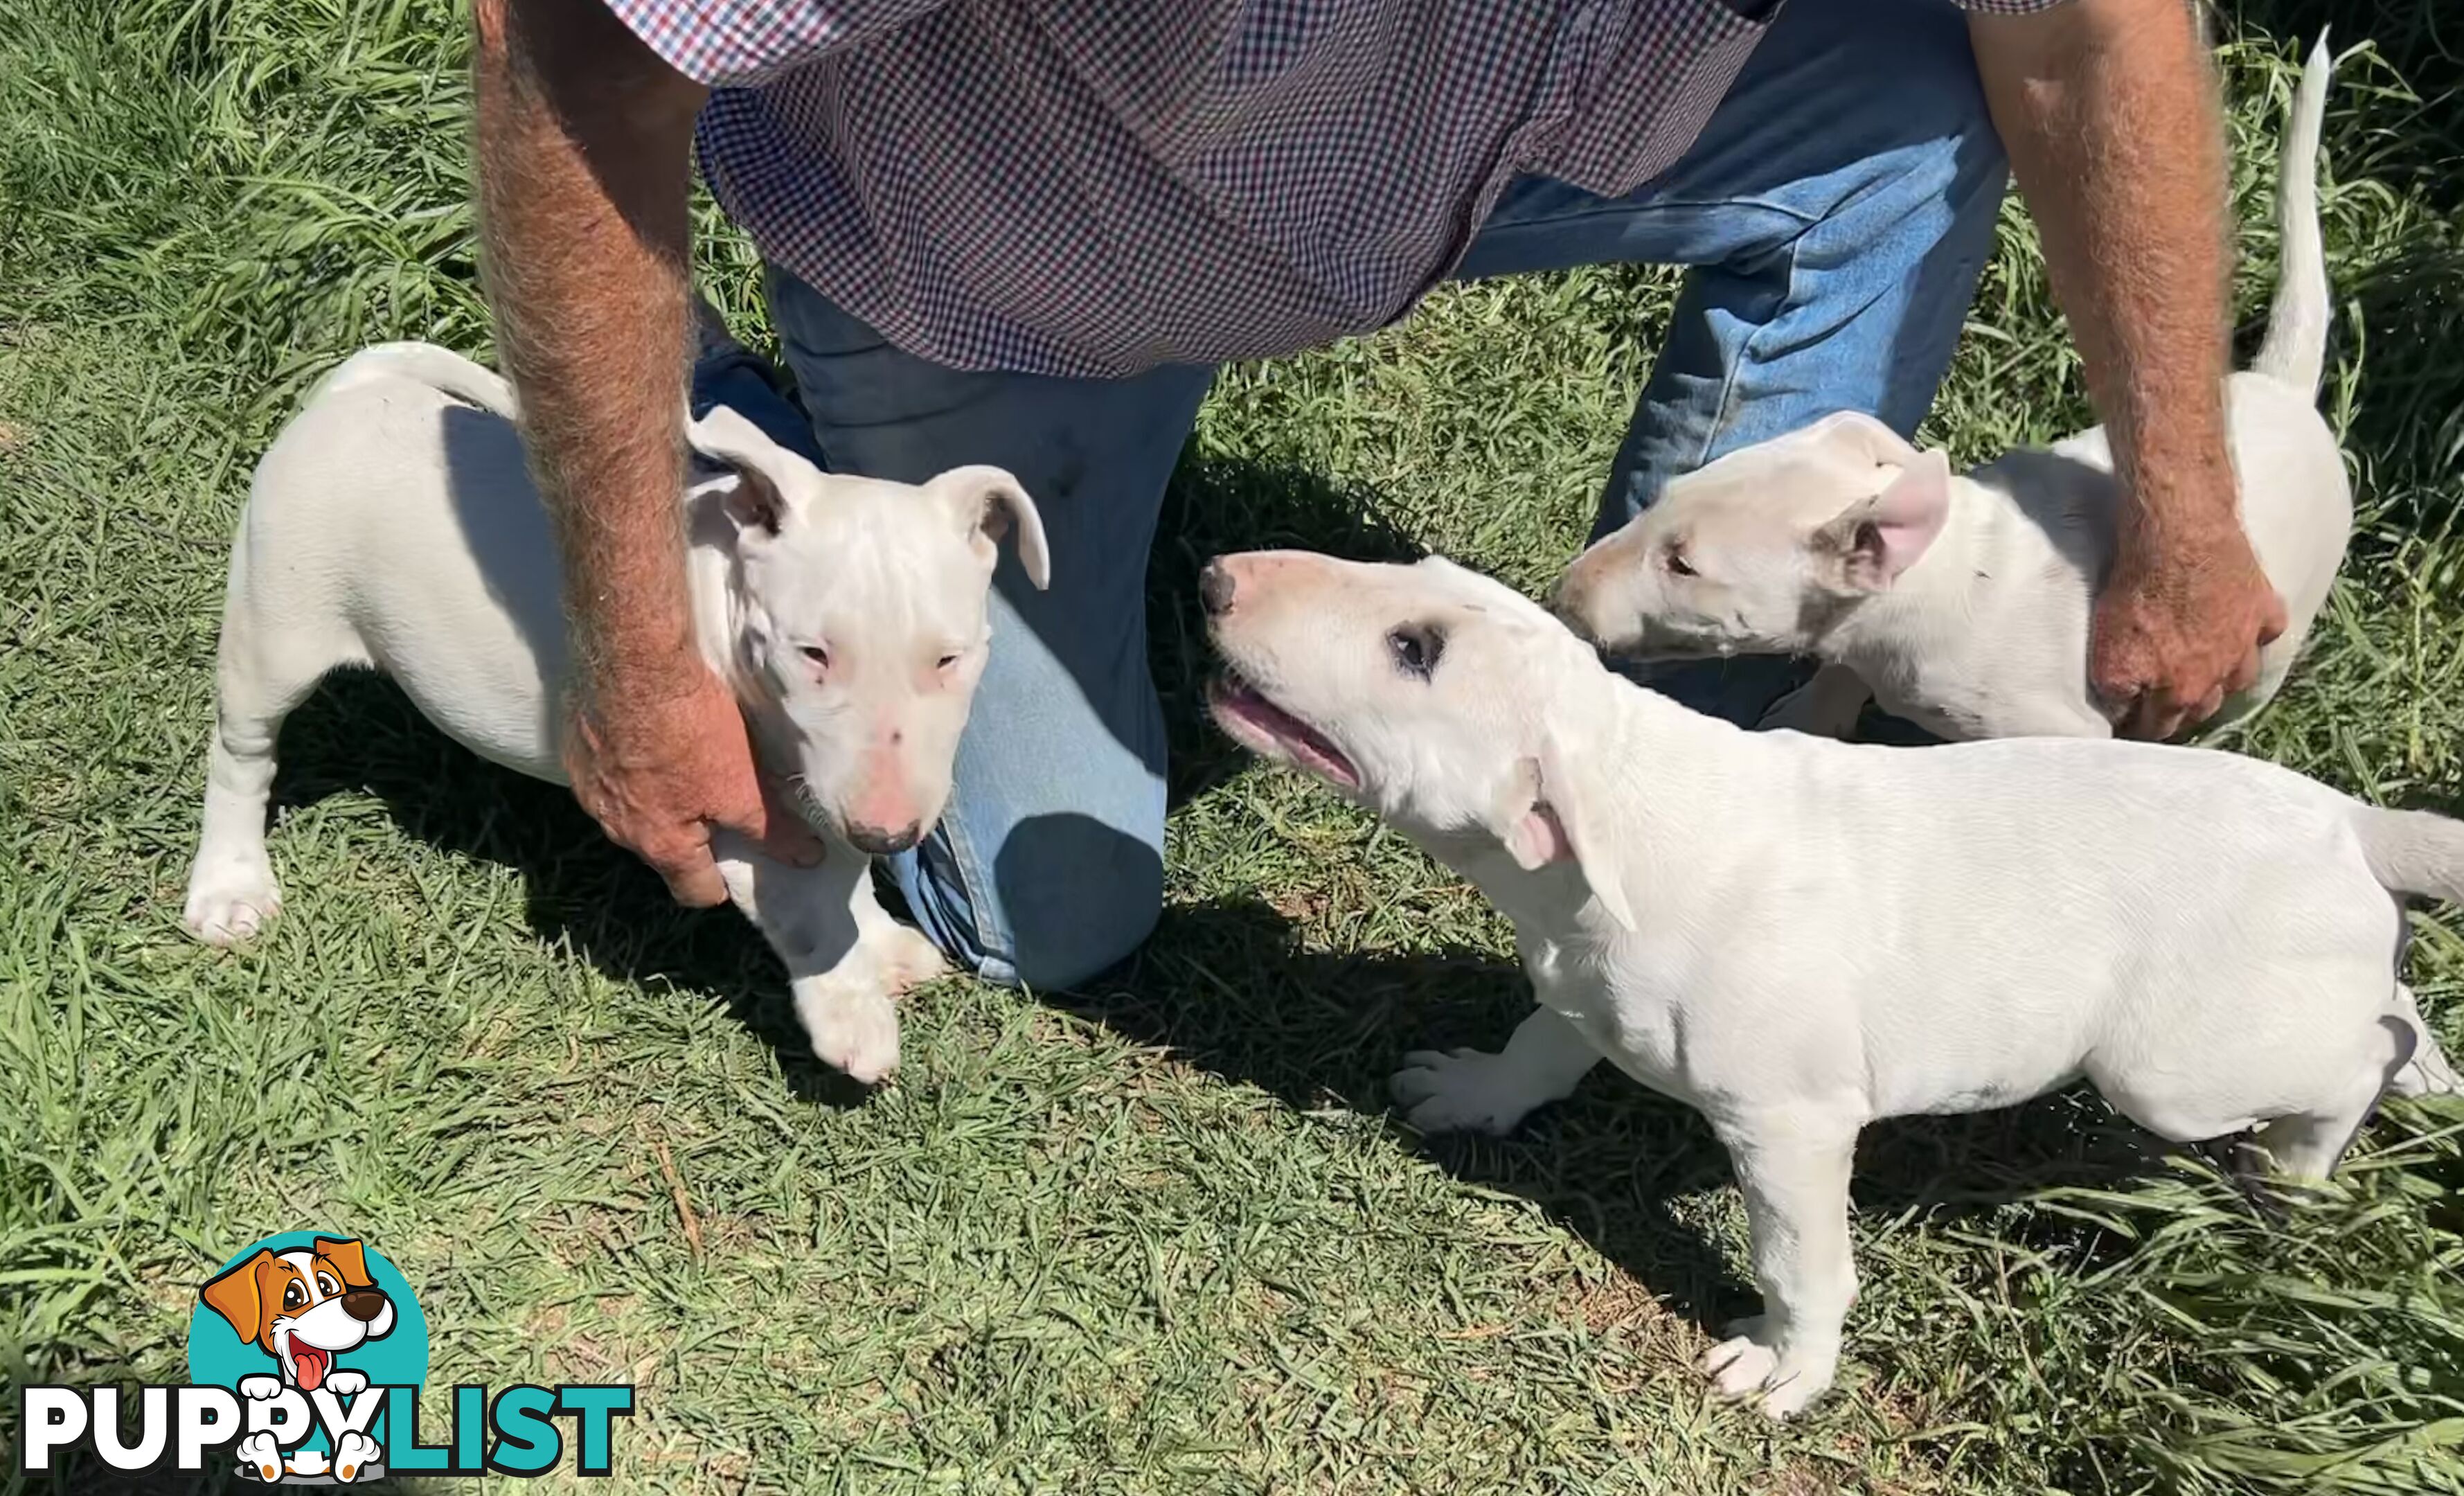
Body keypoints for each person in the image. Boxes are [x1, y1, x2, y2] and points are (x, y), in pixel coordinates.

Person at [472, 0, 2287, 992]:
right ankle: (716, 437)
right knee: (1045, 919)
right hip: (997, 268)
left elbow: (2076, 29)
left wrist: (2182, 511)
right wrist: (637, 640)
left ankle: (1682, 758)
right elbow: (570, 51)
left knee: (1907, 105)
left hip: (1466, 141)